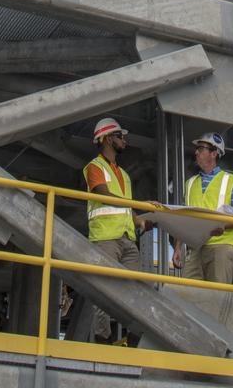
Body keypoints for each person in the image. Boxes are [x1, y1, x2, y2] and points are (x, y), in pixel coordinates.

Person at [83, 116, 148, 343]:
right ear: (108, 139)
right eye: (120, 136)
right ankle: (102, 341)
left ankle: (133, 338)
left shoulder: (125, 176)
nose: (124, 140)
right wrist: (136, 206)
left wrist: (139, 218)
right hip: (106, 238)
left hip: (127, 239)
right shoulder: (94, 167)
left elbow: (125, 205)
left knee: (135, 291)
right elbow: (102, 193)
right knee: (104, 292)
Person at [171, 131, 233, 284]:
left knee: (217, 297)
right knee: (189, 295)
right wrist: (178, 247)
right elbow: (185, 217)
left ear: (214, 154)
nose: (196, 152)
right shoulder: (190, 183)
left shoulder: (231, 180)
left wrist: (222, 226)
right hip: (195, 248)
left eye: (201, 149)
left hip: (221, 247)